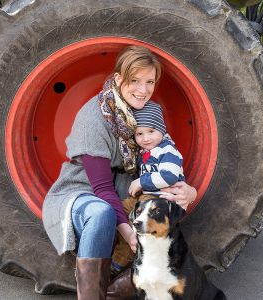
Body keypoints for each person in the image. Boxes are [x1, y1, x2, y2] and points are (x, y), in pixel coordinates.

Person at [42, 45, 197, 300]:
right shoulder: (95, 117)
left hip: (127, 189)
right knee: (101, 213)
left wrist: (190, 191)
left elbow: (164, 159)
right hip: (84, 189)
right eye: (134, 80)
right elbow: (102, 189)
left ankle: (115, 286)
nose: (143, 89)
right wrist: (127, 231)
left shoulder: (147, 114)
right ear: (118, 79)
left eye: (150, 81)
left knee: (164, 218)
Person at [111, 100, 187, 275]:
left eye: (151, 131)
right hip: (147, 197)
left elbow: (169, 176)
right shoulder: (148, 152)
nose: (145, 138)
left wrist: (141, 182)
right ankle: (117, 253)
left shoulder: (167, 150)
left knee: (135, 222)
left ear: (162, 129)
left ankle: (129, 261)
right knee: (119, 213)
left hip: (163, 201)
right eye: (139, 134)